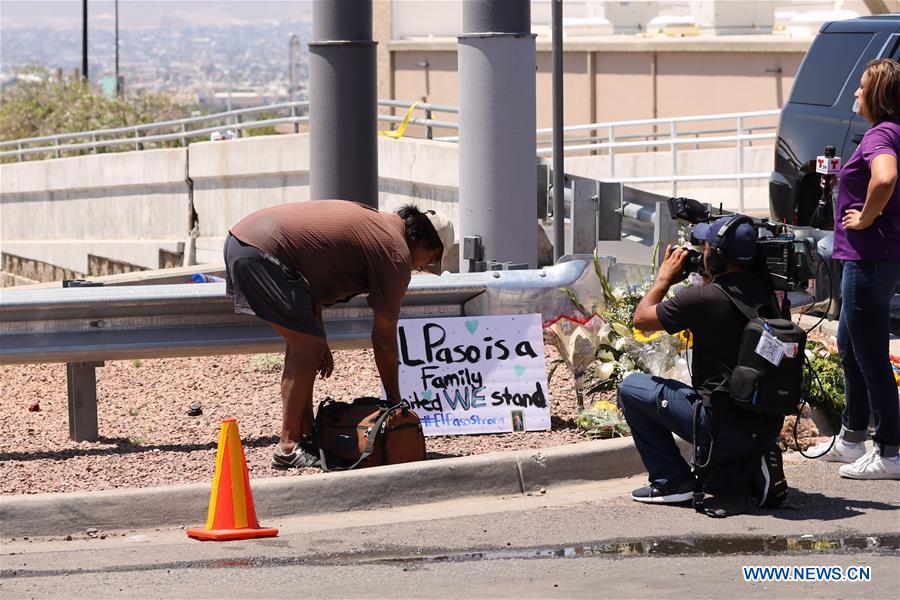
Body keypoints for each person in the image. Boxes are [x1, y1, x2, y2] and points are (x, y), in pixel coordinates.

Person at [224, 200, 454, 469]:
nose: (422, 268)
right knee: (306, 345)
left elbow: (310, 282)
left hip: (246, 240)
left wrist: (321, 339)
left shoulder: (380, 226)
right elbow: (383, 341)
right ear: (426, 244)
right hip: (261, 249)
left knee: (307, 345)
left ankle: (306, 435)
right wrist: (395, 404)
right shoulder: (395, 252)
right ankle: (287, 446)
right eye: (431, 261)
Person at [618, 216, 786, 505]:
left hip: (720, 425)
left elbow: (641, 319)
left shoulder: (703, 299)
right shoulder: (771, 295)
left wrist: (664, 278)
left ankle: (671, 481)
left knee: (631, 388)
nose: (701, 253)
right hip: (764, 424)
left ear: (717, 257)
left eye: (705, 247)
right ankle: (743, 469)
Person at [808, 59, 900, 480]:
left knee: (870, 356)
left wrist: (864, 217)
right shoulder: (889, 132)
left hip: (869, 259)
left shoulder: (882, 133)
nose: (856, 94)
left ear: (878, 94)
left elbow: (885, 178)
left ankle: (890, 451)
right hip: (868, 260)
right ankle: (851, 438)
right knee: (848, 346)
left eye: (862, 88)